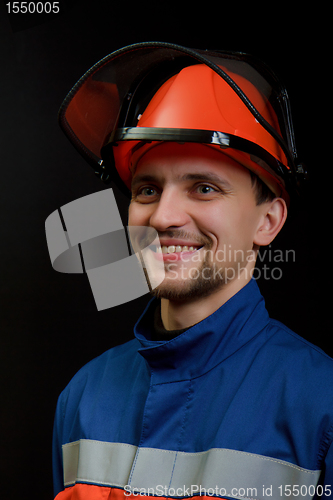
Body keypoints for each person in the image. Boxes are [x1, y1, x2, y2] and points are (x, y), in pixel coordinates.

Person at [52, 42, 333, 500]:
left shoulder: (321, 404)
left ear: (268, 221)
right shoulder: (83, 397)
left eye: (203, 188)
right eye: (146, 190)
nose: (163, 217)